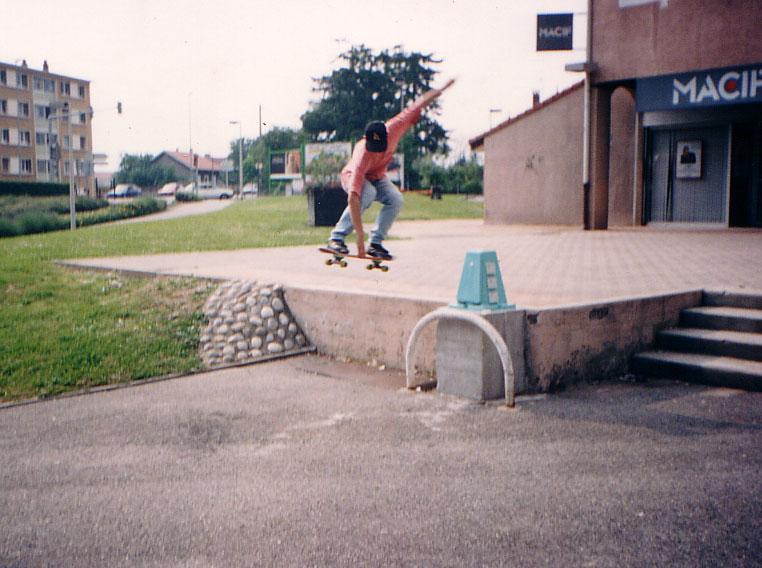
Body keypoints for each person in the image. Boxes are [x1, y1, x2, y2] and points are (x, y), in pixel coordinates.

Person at [327, 78, 456, 260]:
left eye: (379, 148)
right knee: (368, 192)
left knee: (396, 199)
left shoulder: (396, 127)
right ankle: (336, 238)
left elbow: (420, 102)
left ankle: (376, 243)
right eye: (373, 148)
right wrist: (359, 237)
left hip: (377, 177)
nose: (376, 152)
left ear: (387, 136)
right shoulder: (361, 154)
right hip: (352, 176)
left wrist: (442, 88)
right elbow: (353, 199)